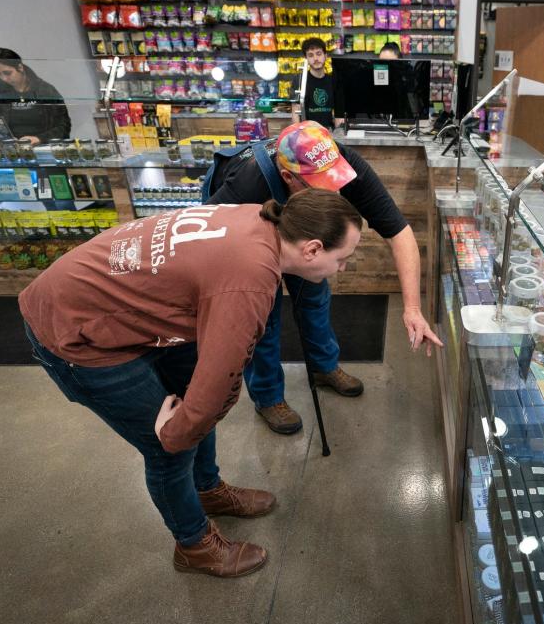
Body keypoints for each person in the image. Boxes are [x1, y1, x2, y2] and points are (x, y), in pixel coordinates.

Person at [20, 189, 363, 578]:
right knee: (167, 445)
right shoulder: (250, 278)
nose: (343, 269)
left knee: (191, 408)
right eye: (343, 259)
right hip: (76, 327)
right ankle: (193, 544)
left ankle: (207, 489)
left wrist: (194, 416)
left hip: (130, 310)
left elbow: (204, 390)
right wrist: (178, 433)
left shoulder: (262, 217)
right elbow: (220, 378)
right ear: (313, 249)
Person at [205, 120, 443, 435]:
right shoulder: (246, 187)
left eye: (336, 180)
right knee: (264, 316)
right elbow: (205, 240)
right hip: (245, 230)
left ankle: (323, 367)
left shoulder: (337, 159)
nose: (334, 189)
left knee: (316, 296)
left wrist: (412, 308)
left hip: (302, 225)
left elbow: (399, 232)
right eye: (321, 184)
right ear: (288, 177)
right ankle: (267, 396)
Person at [0, 48, 71, 144]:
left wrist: (39, 139)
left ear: (20, 67)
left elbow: (64, 127)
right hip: (15, 149)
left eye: (7, 73)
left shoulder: (45, 90)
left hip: (44, 146)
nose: (4, 79)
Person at [298, 37, 343, 129]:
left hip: (329, 133)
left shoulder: (333, 80)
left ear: (325, 56)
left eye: (319, 54)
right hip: (309, 134)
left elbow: (338, 113)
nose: (315, 58)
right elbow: (296, 112)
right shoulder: (300, 80)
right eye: (310, 55)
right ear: (306, 58)